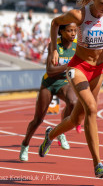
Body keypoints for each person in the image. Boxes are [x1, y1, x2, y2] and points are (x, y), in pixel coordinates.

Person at [38, 0, 103, 178]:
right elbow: (54, 23)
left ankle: (51, 134)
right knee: (92, 109)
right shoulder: (78, 15)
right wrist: (53, 51)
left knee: (77, 118)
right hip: (78, 67)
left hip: (99, 69)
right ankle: (98, 164)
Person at [19, 23, 78, 162]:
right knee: (38, 119)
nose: (73, 33)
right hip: (49, 83)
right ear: (61, 32)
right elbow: (50, 70)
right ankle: (25, 144)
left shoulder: (77, 46)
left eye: (75, 30)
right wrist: (67, 66)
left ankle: (60, 132)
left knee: (73, 102)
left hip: (64, 82)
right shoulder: (54, 46)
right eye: (69, 30)